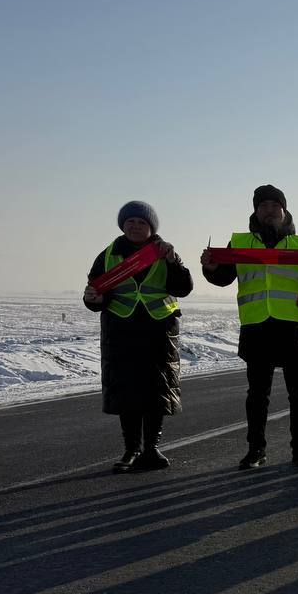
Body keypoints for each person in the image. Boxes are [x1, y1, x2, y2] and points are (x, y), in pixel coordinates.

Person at [201, 185, 298, 469]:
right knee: (257, 397)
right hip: (257, 326)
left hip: (293, 326)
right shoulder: (240, 242)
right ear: (255, 211)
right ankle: (256, 450)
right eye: (263, 205)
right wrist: (211, 267)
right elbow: (223, 278)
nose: (270, 210)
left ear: (284, 210)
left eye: (275, 205)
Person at [84, 201, 193, 472]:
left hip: (158, 331)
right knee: (126, 391)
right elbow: (95, 293)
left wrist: (174, 262)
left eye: (141, 223)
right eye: (130, 222)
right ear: (122, 226)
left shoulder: (165, 252)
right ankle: (130, 450)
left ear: (151, 228)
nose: (135, 226)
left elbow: (183, 287)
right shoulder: (108, 255)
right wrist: (92, 299)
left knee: (156, 391)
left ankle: (151, 449)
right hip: (121, 332)